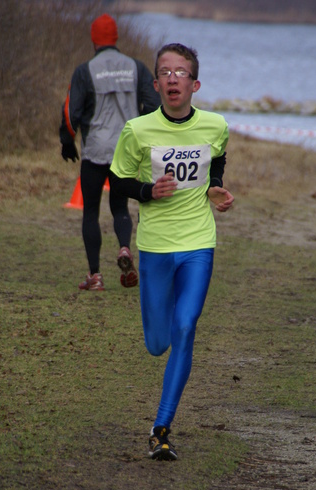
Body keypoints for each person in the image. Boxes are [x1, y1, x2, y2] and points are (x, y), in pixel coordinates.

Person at [110, 43, 234, 460]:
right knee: (157, 343)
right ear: (157, 83)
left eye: (181, 72)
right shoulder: (137, 131)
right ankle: (161, 415)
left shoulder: (215, 125)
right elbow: (118, 182)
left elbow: (216, 161)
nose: (172, 78)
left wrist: (216, 187)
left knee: (186, 327)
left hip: (198, 242)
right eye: (165, 71)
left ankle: (161, 427)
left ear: (194, 83)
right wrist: (147, 191)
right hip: (157, 246)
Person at [59, 14, 160, 291]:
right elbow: (154, 103)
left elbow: (71, 111)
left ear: (94, 38)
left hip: (95, 151)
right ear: (115, 37)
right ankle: (125, 249)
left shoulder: (85, 71)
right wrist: (140, 131)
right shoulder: (136, 68)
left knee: (90, 211)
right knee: (120, 207)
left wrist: (67, 140)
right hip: (125, 151)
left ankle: (95, 276)